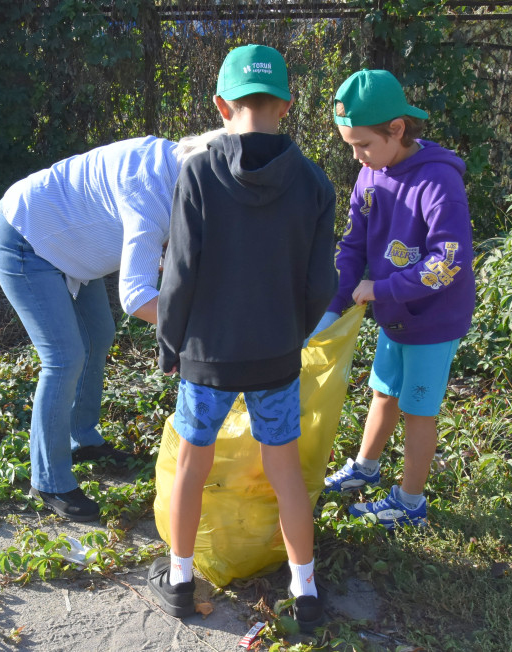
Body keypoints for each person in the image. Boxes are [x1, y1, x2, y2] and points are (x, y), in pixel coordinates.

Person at [148, 44, 338, 632]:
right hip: (276, 358)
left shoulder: (198, 171)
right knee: (286, 474)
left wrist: (171, 348)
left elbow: (178, 272)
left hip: (206, 358)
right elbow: (320, 282)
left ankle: (180, 583)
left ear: (222, 105)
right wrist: (289, 335)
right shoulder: (313, 182)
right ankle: (305, 592)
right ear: (287, 103)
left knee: (192, 470)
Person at [0, 131, 220, 522]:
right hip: (24, 238)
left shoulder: (180, 164)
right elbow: (137, 296)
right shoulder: (151, 195)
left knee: (97, 334)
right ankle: (49, 479)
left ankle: (82, 438)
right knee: (64, 357)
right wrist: (199, 328)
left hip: (71, 245)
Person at [318, 69, 476, 529]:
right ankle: (366, 469)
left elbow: (448, 261)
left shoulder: (438, 182)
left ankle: (410, 503)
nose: (357, 156)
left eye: (363, 144)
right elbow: (351, 247)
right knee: (383, 392)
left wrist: (382, 289)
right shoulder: (370, 176)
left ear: (398, 129)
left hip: (433, 320)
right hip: (395, 317)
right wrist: (334, 301)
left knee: (417, 411)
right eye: (350, 145)